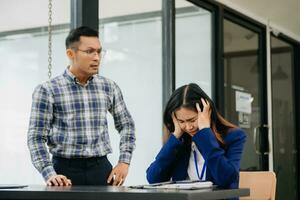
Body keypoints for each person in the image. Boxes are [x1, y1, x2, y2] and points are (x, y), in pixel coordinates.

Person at [27, 26, 135, 187]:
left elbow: (126, 125)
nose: (96, 57)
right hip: (63, 172)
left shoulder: (109, 87)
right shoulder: (48, 90)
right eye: (90, 51)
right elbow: (35, 137)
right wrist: (49, 173)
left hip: (101, 170)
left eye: (99, 52)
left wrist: (124, 162)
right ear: (71, 54)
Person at [146, 83, 246, 191]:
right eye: (181, 121)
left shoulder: (234, 136)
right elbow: (153, 179)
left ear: (206, 113)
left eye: (192, 120)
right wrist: (175, 137)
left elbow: (227, 180)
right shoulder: (180, 141)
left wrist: (205, 133)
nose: (188, 127)